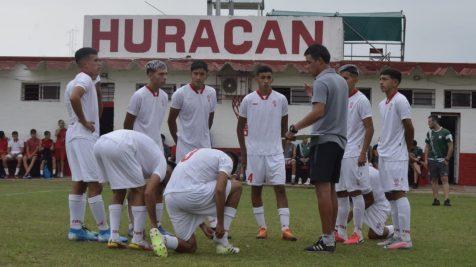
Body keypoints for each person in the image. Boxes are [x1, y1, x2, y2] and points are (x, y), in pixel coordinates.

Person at [285, 44, 348, 252]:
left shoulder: (321, 81)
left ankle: (327, 239)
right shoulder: (340, 80)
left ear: (320, 61)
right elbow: (330, 107)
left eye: (309, 62)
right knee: (331, 189)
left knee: (322, 189)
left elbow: (319, 111)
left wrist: (295, 127)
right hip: (339, 140)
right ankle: (331, 235)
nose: (307, 66)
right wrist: (315, 93)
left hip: (324, 140)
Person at [65, 47, 120, 242]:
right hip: (83, 136)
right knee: (95, 183)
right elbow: (75, 97)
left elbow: (96, 103)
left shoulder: (77, 81)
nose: (99, 63)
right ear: (85, 64)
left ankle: (75, 228)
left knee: (79, 182)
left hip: (73, 136)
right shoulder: (84, 79)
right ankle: (105, 231)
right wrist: (84, 120)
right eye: (96, 60)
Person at [237, 65, 297, 241]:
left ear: (272, 79)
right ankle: (262, 228)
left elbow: (284, 129)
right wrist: (244, 153)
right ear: (256, 78)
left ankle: (286, 229)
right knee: (256, 189)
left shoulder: (281, 99)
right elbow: (239, 128)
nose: (265, 81)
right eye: (262, 77)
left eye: (268, 77)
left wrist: (285, 146)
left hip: (275, 153)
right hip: (254, 153)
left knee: (280, 188)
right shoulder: (248, 100)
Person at [93, 129, 169, 252]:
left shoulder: (149, 158)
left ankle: (114, 237)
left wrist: (135, 225)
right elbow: (148, 192)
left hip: (100, 144)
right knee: (139, 190)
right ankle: (138, 239)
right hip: (120, 145)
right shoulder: (162, 165)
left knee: (119, 191)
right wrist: (155, 226)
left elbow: (130, 197)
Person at [162, 148, 242, 255]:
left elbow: (191, 182)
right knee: (237, 186)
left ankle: (163, 239)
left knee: (190, 247)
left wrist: (203, 225)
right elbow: (219, 190)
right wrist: (220, 224)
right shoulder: (227, 160)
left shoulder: (202, 153)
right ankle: (222, 239)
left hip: (170, 197)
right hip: (190, 194)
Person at [123, 60, 170, 235]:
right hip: (138, 148)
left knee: (158, 186)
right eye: (160, 74)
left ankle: (158, 223)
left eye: (165, 74)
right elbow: (128, 122)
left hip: (156, 148)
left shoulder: (165, 96)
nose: (164, 77)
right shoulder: (139, 95)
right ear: (150, 75)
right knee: (136, 187)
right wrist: (131, 146)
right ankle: (132, 225)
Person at [334, 64, 374, 245]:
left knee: (355, 192)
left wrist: (363, 152)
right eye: (340, 79)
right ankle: (340, 231)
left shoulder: (361, 100)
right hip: (340, 151)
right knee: (340, 193)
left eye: (346, 78)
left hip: (354, 152)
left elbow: (369, 128)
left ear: (355, 79)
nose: (343, 82)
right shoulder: (339, 99)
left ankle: (358, 233)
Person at [376, 68, 414, 250]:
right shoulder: (382, 104)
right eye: (380, 79)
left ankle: (406, 238)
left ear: (395, 82)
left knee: (399, 192)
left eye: (385, 79)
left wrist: (408, 149)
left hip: (397, 154)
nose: (381, 82)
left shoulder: (401, 100)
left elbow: (409, 126)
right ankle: (397, 235)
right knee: (390, 195)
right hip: (384, 154)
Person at [167, 60, 217, 163]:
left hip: (204, 146)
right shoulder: (180, 94)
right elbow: (171, 120)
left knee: (204, 176)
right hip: (185, 146)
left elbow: (211, 115)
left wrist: (204, 133)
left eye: (202, 74)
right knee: (185, 177)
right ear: (191, 74)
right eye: (196, 74)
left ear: (206, 75)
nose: (198, 77)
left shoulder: (211, 92)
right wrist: (178, 141)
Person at [345, 166, 395, 240]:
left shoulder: (368, 174)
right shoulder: (350, 170)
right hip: (365, 200)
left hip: (380, 203)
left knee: (374, 235)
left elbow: (370, 200)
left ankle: (394, 229)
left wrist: (350, 214)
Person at [424, 115, 454, 206]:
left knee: (444, 179)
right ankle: (436, 200)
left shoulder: (446, 132)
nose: (428, 124)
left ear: (434, 122)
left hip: (442, 160)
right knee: (433, 180)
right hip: (432, 160)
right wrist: (425, 160)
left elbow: (451, 146)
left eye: (429, 122)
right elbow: (427, 147)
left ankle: (446, 200)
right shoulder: (429, 133)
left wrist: (447, 159)